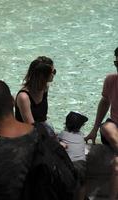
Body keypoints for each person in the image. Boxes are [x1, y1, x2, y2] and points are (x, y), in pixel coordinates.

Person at [85, 48, 118, 200]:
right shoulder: (111, 80)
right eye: (116, 62)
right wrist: (94, 128)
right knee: (107, 127)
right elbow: (104, 102)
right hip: (114, 128)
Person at [15, 56, 56, 135]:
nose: (54, 75)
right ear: (42, 76)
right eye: (52, 72)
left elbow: (43, 119)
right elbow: (31, 127)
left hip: (40, 131)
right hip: (26, 134)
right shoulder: (24, 97)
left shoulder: (44, 88)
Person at [58, 111, 88, 200]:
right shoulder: (81, 137)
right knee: (83, 184)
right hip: (81, 165)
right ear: (81, 126)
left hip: (68, 165)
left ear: (65, 123)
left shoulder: (62, 134)